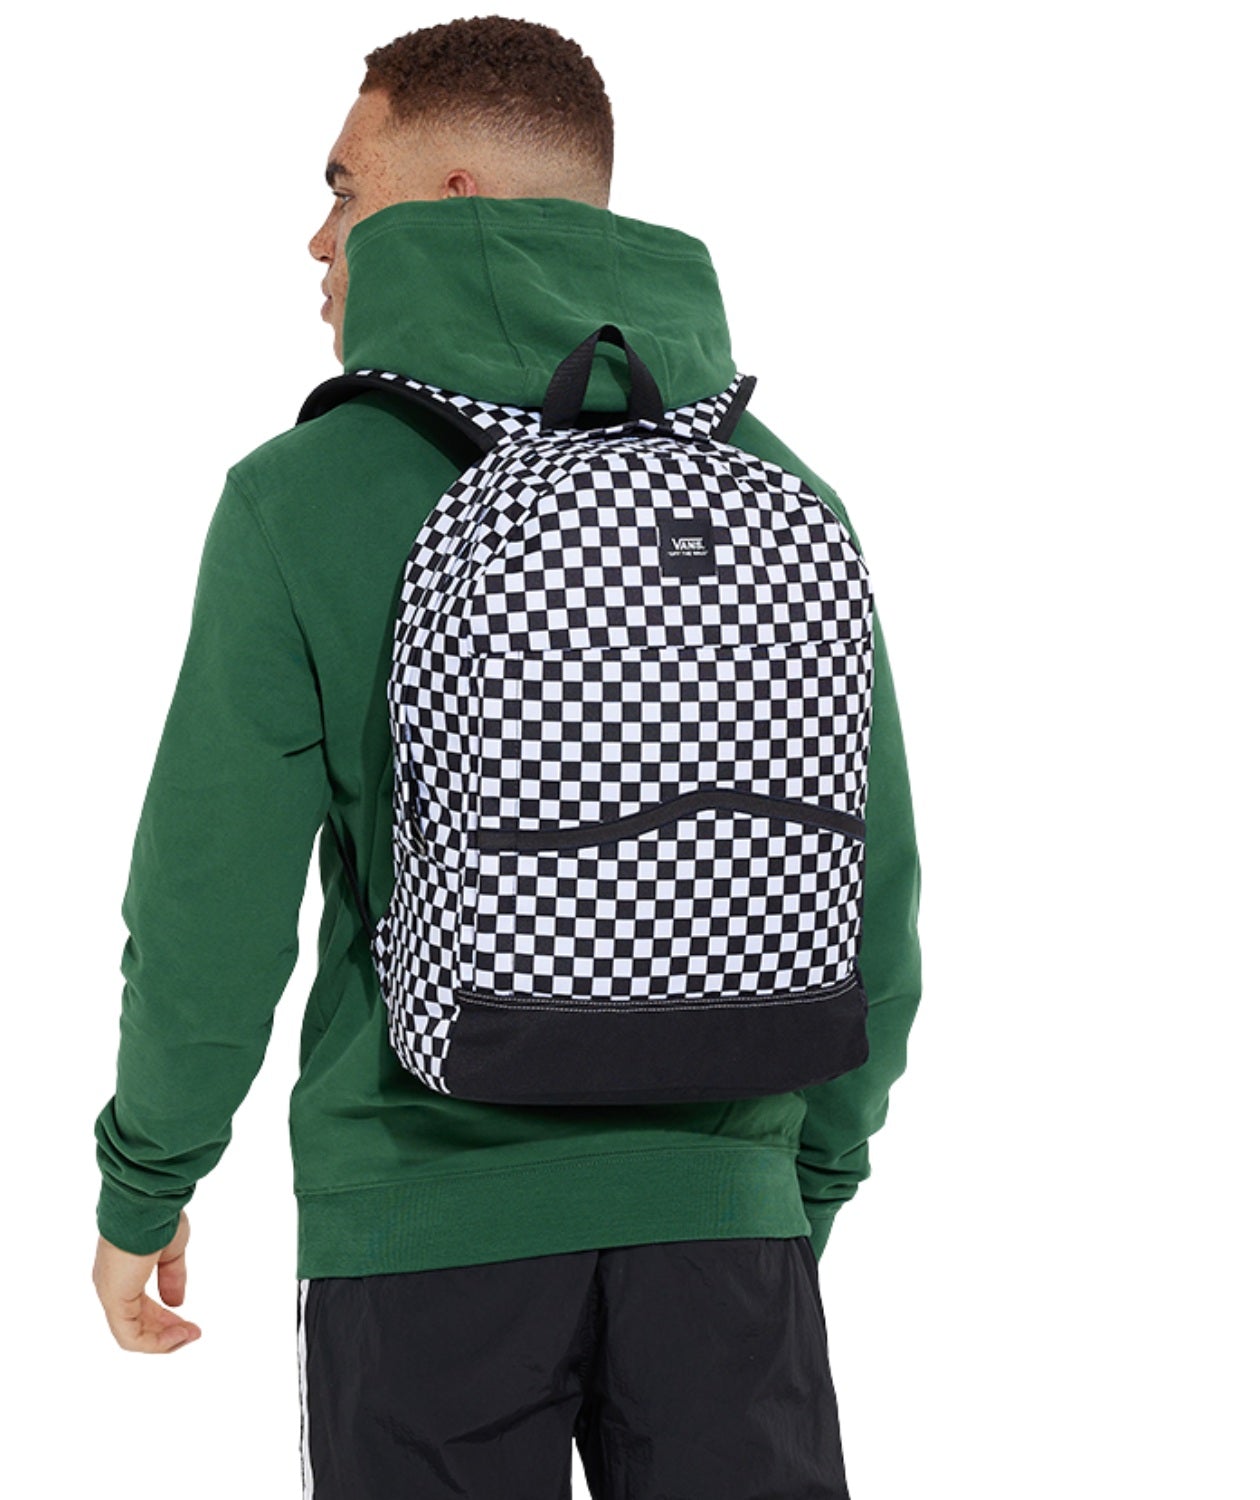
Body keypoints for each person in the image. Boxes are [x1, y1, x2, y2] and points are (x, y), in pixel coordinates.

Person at [90, 16, 923, 1499]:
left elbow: (209, 900)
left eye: (345, 188)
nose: (318, 237)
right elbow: (873, 886)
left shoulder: (305, 493)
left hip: (423, 1229)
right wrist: (799, 1182)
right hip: (726, 1231)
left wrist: (146, 1179)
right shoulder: (778, 488)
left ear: (454, 197)